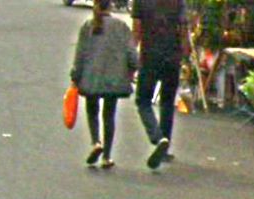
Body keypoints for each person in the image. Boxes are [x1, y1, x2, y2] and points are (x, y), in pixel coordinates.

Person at [70, 0, 138, 168]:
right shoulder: (121, 27)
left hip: (91, 77)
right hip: (114, 78)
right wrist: (132, 69)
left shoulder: (88, 26)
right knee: (109, 115)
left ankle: (96, 142)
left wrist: (75, 77)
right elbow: (132, 54)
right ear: (111, 6)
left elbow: (80, 55)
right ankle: (107, 156)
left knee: (92, 110)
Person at [131, 0, 188, 172]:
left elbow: (136, 31)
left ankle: (157, 137)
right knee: (167, 102)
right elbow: (183, 28)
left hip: (150, 56)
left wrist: (131, 59)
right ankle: (165, 145)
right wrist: (184, 53)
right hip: (172, 56)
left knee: (143, 101)